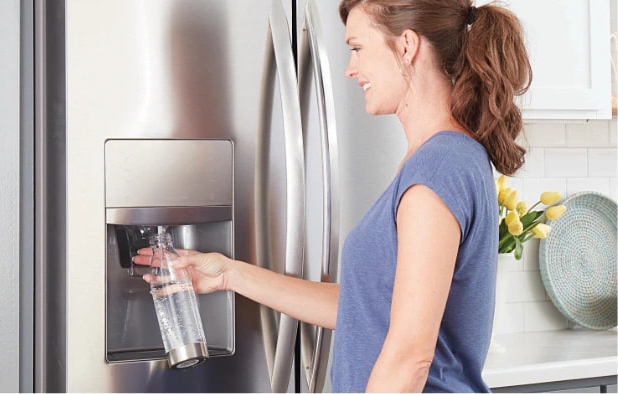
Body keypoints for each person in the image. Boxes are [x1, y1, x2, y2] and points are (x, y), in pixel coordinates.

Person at [135, 0, 531, 391]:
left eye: (357, 48)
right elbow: (364, 308)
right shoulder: (438, 159)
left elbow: (410, 358)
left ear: (407, 46)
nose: (350, 68)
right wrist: (227, 273)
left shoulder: (439, 167)